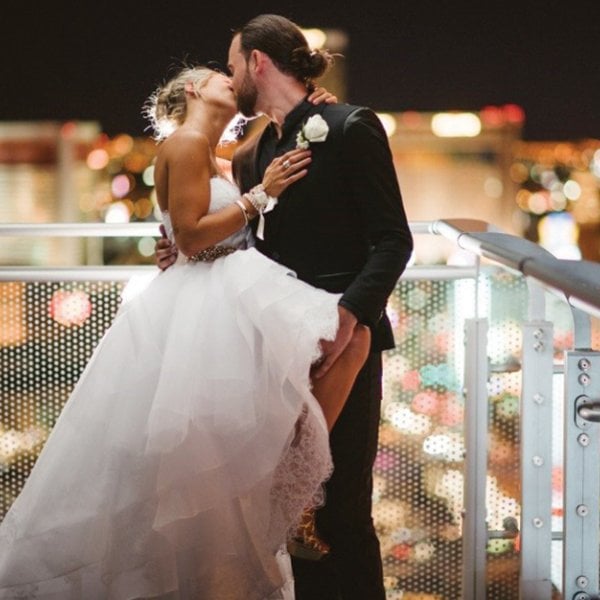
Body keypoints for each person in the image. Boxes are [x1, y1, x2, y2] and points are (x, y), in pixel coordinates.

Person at [0, 66, 371, 599]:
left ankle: (287, 482)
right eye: (219, 76)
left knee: (344, 341)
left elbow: (200, 221)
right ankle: (290, 490)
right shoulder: (182, 143)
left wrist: (306, 113)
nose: (231, 80)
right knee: (209, 468)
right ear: (194, 90)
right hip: (205, 306)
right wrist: (258, 197)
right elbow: (195, 237)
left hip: (229, 295)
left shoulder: (217, 154)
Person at [156, 14, 414, 600]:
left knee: (340, 507)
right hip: (272, 345)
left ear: (258, 63)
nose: (227, 73)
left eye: (231, 63)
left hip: (343, 340)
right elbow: (238, 234)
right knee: (277, 508)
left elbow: (395, 240)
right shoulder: (256, 152)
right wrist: (179, 242)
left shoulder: (351, 126)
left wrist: (350, 317)